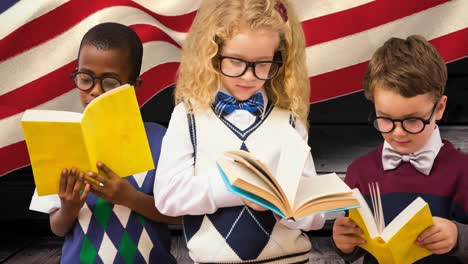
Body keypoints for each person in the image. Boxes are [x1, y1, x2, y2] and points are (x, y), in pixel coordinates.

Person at [153, 0, 328, 263]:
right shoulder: (188, 117)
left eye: (262, 64)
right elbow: (168, 198)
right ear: (212, 54)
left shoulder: (289, 122)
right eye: (236, 62)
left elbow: (316, 216)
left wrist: (280, 205)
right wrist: (240, 188)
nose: (249, 76)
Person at [29, 22, 178, 264]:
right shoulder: (61, 138)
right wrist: (69, 207)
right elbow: (57, 227)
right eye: (85, 78)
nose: (95, 91)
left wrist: (131, 199)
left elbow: (179, 217)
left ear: (134, 86)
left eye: (109, 83)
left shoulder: (161, 140)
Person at [332, 35, 468, 263]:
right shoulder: (360, 172)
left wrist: (458, 238)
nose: (398, 133)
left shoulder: (463, 171)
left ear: (440, 108)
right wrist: (344, 244)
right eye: (385, 119)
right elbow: (356, 246)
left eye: (413, 120)